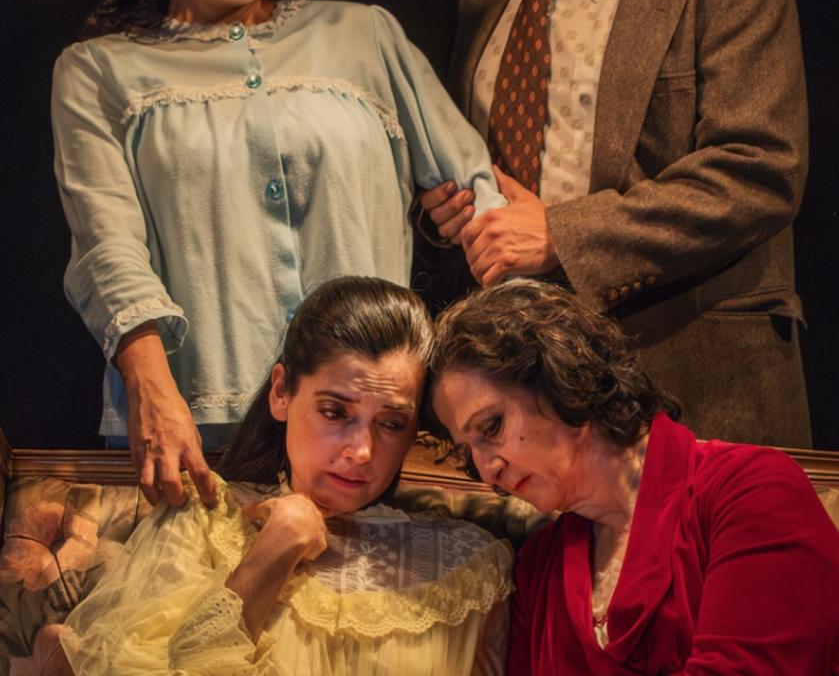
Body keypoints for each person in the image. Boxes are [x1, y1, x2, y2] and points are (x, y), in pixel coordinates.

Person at [51, 0, 506, 509]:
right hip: (196, 428)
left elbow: (475, 198)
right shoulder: (99, 71)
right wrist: (148, 383)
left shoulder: (365, 36)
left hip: (362, 436)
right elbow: (105, 245)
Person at [419, 0, 810, 447]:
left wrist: (562, 235)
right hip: (522, 396)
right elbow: (479, 164)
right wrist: (452, 207)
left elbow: (757, 171)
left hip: (687, 377)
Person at [23, 277, 513, 675]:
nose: (362, 451)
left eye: (391, 424)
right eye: (335, 412)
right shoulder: (203, 521)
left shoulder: (472, 569)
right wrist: (275, 550)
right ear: (282, 393)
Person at [429, 280, 839, 675]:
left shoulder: (752, 490)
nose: (487, 469)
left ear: (559, 378)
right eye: (468, 452)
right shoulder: (539, 564)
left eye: (492, 427)